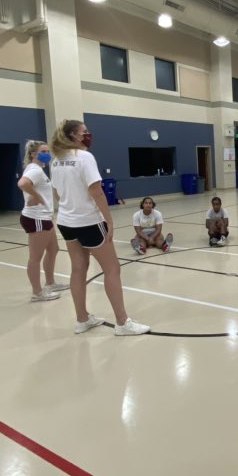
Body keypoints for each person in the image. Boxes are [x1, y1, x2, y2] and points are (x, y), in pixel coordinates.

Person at [49, 119, 149, 336]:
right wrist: (109, 221)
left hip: (66, 222)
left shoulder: (56, 161)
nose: (88, 135)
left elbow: (57, 193)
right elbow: (96, 191)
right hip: (89, 222)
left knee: (78, 268)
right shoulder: (84, 157)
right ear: (74, 135)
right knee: (112, 269)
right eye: (84, 131)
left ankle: (82, 319)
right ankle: (122, 323)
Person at [17, 140, 68, 302]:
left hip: (44, 217)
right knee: (35, 257)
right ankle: (37, 293)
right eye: (43, 152)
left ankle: (50, 283)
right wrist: (37, 197)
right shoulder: (35, 170)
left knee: (53, 249)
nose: (47, 154)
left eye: (48, 151)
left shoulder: (38, 170)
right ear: (33, 154)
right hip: (36, 217)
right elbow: (22, 183)